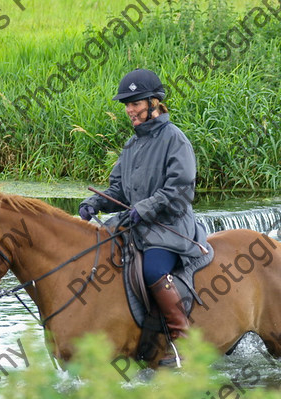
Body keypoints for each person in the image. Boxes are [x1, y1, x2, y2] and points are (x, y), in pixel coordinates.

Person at [79, 68, 212, 366]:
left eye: (135, 103)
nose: (129, 110)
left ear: (154, 103)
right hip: (136, 226)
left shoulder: (175, 139)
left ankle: (182, 341)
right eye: (127, 104)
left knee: (152, 270)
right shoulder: (132, 145)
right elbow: (118, 191)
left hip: (170, 227)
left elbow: (179, 190)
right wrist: (93, 203)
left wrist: (145, 208)